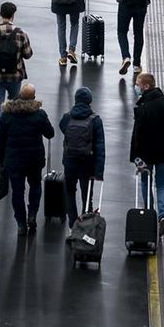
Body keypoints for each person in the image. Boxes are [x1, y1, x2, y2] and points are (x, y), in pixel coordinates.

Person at [0, 82, 55, 234]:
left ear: (19, 96)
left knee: (17, 192)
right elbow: (50, 133)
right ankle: (32, 214)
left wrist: (1, 159)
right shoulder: (39, 115)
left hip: (14, 162)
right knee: (35, 186)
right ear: (33, 98)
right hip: (34, 161)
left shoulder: (7, 115)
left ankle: (21, 223)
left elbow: (0, 139)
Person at [130, 72, 164, 237]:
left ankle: (150, 213)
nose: (136, 87)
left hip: (147, 154)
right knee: (162, 184)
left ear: (146, 87)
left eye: (138, 84)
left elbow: (136, 136)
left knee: (145, 182)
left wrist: (136, 158)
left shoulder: (142, 109)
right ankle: (163, 215)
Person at [58, 86, 106, 227]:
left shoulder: (67, 117)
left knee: (70, 191)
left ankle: (72, 223)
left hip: (70, 161)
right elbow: (100, 147)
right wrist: (99, 172)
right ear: (89, 101)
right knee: (87, 195)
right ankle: (85, 224)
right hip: (87, 163)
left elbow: (62, 128)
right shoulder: (95, 120)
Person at [0, 1, 33, 112]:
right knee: (14, 104)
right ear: (13, 15)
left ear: (0, 14)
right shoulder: (21, 33)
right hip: (15, 75)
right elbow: (28, 54)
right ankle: (11, 127)